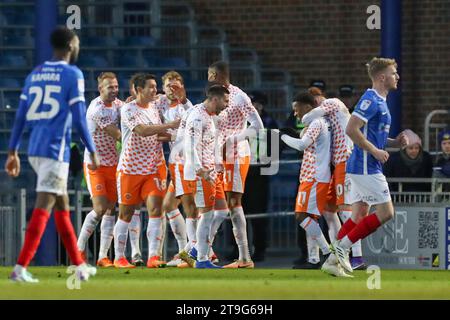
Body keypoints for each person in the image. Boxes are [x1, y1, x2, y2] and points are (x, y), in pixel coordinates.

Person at [5, 27, 99, 282]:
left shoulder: (35, 74)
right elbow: (79, 118)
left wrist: (12, 151)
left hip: (35, 148)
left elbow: (21, 116)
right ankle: (20, 267)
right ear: (70, 45)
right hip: (54, 149)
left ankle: (79, 266)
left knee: (62, 207)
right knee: (44, 206)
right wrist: (91, 149)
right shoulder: (72, 74)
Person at [323, 57, 409, 276]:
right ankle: (342, 250)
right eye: (393, 73)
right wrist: (374, 151)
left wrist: (393, 143)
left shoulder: (380, 100)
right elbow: (352, 129)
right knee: (386, 212)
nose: (397, 77)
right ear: (382, 77)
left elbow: (373, 134)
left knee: (359, 214)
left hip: (364, 165)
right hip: (365, 166)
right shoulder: (370, 100)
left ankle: (332, 260)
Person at [113, 73, 180, 268]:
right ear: (138, 89)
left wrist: (174, 90)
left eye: (155, 86)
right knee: (126, 213)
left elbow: (171, 98)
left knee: (156, 210)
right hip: (130, 169)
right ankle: (119, 257)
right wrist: (168, 125)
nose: (155, 90)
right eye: (151, 87)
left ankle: (152, 256)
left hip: (154, 167)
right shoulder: (128, 109)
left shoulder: (155, 105)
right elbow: (141, 130)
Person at [206, 61, 264, 269]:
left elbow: (258, 126)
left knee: (233, 203)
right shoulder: (213, 96)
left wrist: (233, 140)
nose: (208, 78)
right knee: (218, 206)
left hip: (236, 156)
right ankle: (203, 251)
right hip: (219, 158)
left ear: (215, 75)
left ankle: (245, 257)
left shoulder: (239, 97)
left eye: (210, 75)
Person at [302, 88, 367, 270]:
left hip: (345, 162)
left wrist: (306, 118)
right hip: (336, 166)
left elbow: (306, 119)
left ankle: (357, 257)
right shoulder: (327, 119)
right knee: (331, 212)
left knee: (346, 211)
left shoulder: (332, 103)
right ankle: (341, 256)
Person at [278, 92, 334, 271]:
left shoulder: (317, 122)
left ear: (308, 107)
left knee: (301, 216)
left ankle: (328, 253)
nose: (295, 114)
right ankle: (313, 259)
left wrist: (283, 137)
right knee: (310, 218)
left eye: (296, 109)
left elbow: (302, 145)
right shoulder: (318, 123)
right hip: (312, 176)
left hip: (315, 177)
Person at [76, 72, 123, 268]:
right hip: (95, 164)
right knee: (99, 209)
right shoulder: (97, 110)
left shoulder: (119, 105)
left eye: (116, 86)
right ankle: (78, 250)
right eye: (110, 87)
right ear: (100, 89)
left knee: (111, 209)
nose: (114, 90)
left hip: (113, 164)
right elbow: (119, 135)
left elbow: (128, 110)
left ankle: (103, 256)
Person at [183, 84, 230, 268]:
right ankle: (201, 258)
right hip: (201, 173)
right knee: (208, 214)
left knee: (221, 211)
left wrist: (218, 163)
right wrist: (199, 169)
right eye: (225, 101)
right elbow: (190, 146)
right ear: (215, 99)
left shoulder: (210, 117)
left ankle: (195, 249)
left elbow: (210, 144)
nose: (226, 105)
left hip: (212, 172)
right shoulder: (197, 116)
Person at [156, 71, 193, 267]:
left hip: (188, 163)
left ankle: (197, 252)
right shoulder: (161, 103)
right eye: (169, 86)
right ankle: (184, 251)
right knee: (169, 205)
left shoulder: (186, 107)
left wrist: (160, 135)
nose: (173, 90)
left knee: (191, 209)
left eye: (176, 86)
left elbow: (188, 135)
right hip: (176, 164)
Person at [241, 91, 278, 262]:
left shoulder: (269, 123)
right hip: (242, 171)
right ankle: (238, 249)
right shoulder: (241, 122)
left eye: (256, 104)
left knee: (258, 214)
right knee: (239, 211)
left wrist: (267, 164)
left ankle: (260, 249)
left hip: (259, 174)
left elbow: (276, 148)